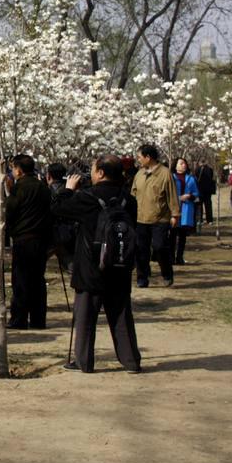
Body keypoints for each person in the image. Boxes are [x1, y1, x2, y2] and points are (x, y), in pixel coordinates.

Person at [51, 155, 141, 374]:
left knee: (85, 316)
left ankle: (84, 361)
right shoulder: (128, 200)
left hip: (91, 266)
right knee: (121, 315)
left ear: (100, 172)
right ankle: (131, 361)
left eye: (93, 169)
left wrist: (68, 188)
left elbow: (57, 208)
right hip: (119, 264)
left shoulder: (87, 197)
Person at [5, 154, 52, 330]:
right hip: (41, 239)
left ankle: (19, 319)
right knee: (38, 280)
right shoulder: (43, 187)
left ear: (18, 169)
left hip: (24, 239)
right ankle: (38, 319)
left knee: (21, 280)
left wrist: (8, 194)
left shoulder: (20, 188)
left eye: (12, 168)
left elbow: (10, 210)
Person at [131, 145, 180, 288]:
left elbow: (172, 195)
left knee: (159, 247)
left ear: (148, 157)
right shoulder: (139, 174)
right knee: (141, 249)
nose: (138, 160)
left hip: (160, 219)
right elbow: (133, 194)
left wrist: (175, 214)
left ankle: (167, 273)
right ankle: (142, 278)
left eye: (140, 157)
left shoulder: (165, 174)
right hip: (140, 218)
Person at [168, 158, 199, 266]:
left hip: (186, 209)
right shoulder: (171, 177)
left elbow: (196, 194)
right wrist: (178, 198)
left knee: (182, 236)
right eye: (181, 163)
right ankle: (171, 257)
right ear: (175, 166)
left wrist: (189, 196)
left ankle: (179, 257)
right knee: (172, 235)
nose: (183, 165)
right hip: (174, 208)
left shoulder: (191, 178)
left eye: (185, 163)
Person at [46, 163, 75, 271]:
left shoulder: (46, 191)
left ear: (48, 175)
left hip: (51, 232)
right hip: (69, 231)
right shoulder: (72, 189)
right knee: (70, 263)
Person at [194, 160, 217, 225]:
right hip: (208, 190)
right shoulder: (210, 169)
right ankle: (209, 220)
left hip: (200, 189)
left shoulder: (197, 169)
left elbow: (196, 178)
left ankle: (200, 219)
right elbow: (211, 177)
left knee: (199, 205)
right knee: (208, 205)